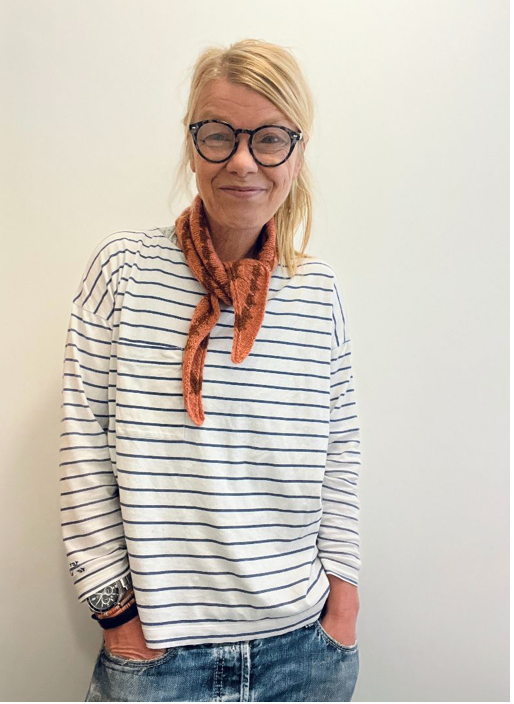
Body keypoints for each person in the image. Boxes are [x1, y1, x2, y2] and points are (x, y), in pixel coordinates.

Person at [59, 38, 362, 702]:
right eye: (219, 135)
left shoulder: (319, 292)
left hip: (304, 654)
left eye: (270, 138)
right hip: (161, 660)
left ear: (298, 152)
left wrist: (342, 608)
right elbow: (83, 451)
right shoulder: (123, 273)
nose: (243, 161)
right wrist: (116, 615)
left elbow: (340, 454)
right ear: (192, 143)